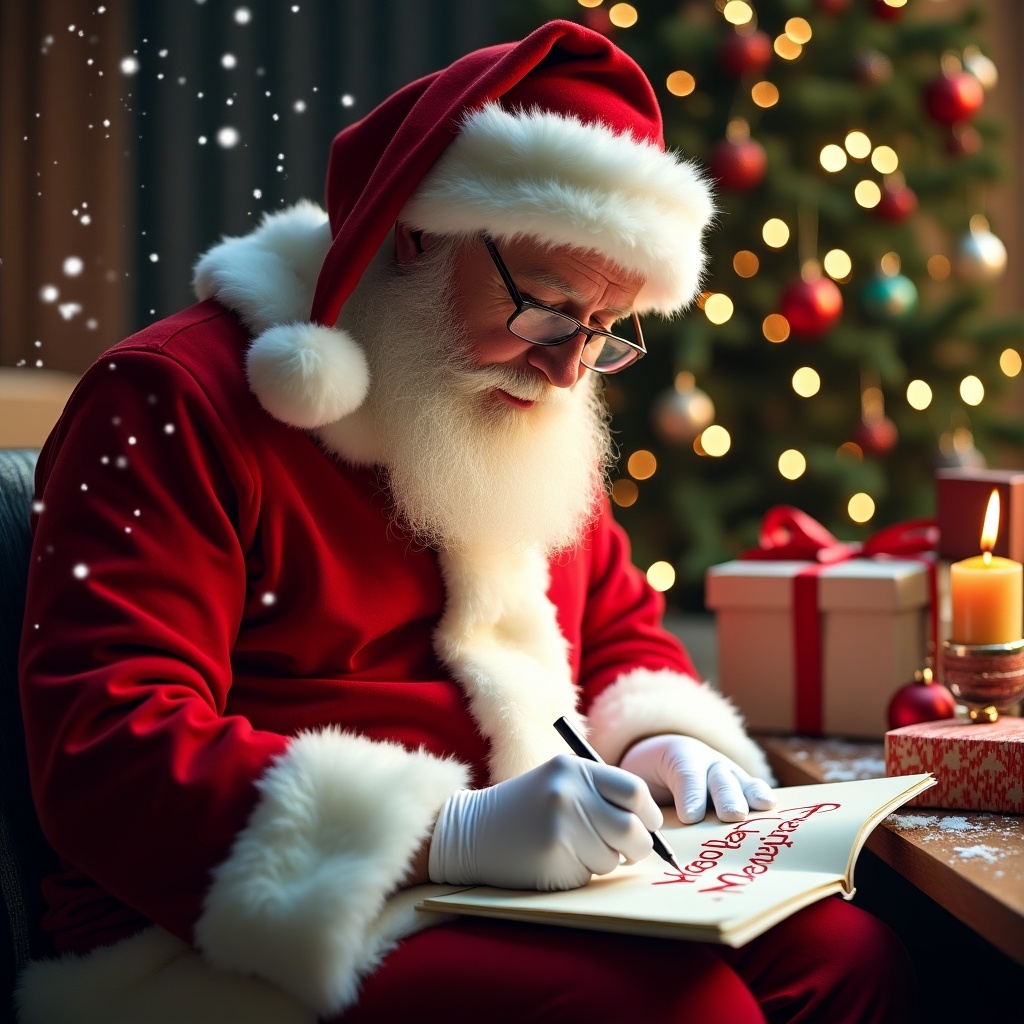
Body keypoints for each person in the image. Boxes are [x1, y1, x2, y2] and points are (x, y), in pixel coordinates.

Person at [16, 19, 915, 1024]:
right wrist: (442, 830)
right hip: (238, 934)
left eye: (604, 331)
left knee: (849, 953)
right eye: (549, 307)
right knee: (684, 1011)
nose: (571, 367)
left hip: (525, 880)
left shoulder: (513, 392)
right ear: (415, 231)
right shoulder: (168, 399)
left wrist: (657, 737)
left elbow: (613, 623)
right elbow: (107, 745)